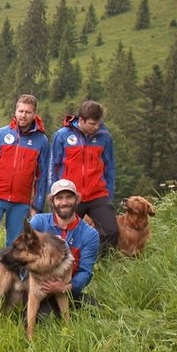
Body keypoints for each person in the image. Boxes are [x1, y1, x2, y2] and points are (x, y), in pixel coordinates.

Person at [0, 94, 49, 276]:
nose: (23, 115)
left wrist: (36, 206)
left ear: (34, 114)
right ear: (15, 111)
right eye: (20, 111)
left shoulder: (42, 141)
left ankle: (13, 279)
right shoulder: (1, 135)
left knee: (16, 244)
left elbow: (42, 176)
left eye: (27, 112)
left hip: (21, 201)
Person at [49, 100, 118, 253]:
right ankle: (66, 267)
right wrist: (54, 194)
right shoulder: (62, 136)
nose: (96, 127)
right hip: (71, 194)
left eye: (98, 123)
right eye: (92, 123)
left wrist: (109, 194)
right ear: (81, 120)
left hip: (98, 193)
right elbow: (53, 166)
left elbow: (110, 166)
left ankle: (97, 264)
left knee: (111, 231)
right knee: (64, 236)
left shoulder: (104, 137)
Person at [28, 178, 99, 314]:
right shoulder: (38, 223)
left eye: (69, 197)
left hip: (67, 287)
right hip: (38, 286)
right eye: (59, 198)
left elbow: (86, 271)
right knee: (45, 319)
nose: (64, 202)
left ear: (77, 200)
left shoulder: (89, 234)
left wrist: (66, 287)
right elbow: (23, 253)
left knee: (94, 310)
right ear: (52, 202)